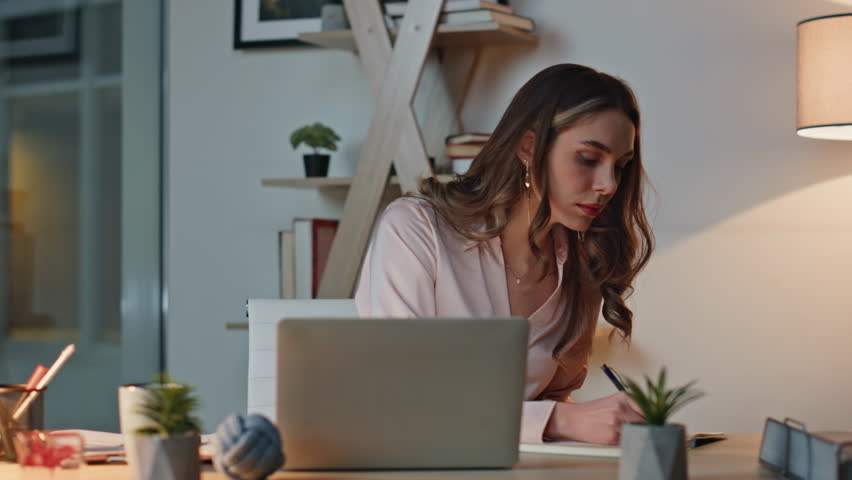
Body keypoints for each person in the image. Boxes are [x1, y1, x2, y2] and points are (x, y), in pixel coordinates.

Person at [355, 63, 654, 445]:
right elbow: (396, 400)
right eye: (588, 158)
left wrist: (599, 421)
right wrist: (562, 419)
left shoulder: (583, 265)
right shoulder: (417, 229)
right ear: (528, 147)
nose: (609, 184)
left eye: (621, 166)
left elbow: (549, 400)